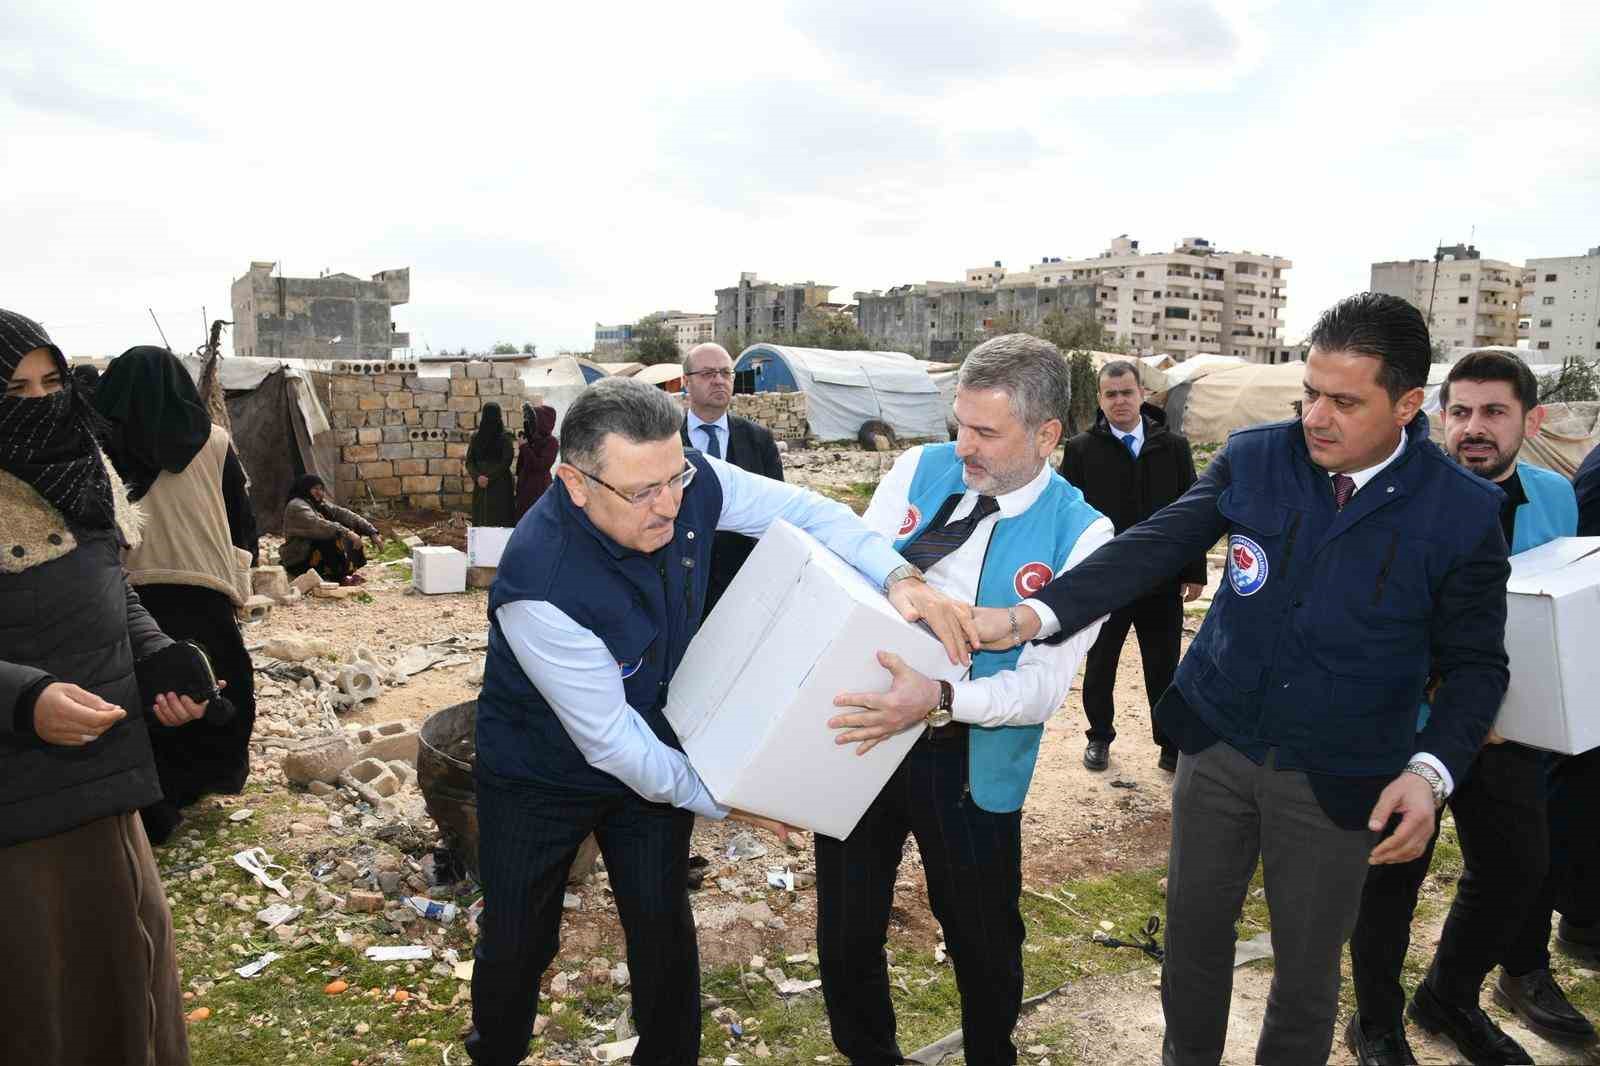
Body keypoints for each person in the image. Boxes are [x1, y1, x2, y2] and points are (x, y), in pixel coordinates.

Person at [972, 293, 1513, 1065]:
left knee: (1306, 968)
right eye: (1310, 393)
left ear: (1406, 405)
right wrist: (1031, 616)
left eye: (1344, 402)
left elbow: (1477, 666)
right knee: (1193, 936)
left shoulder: (1461, 511)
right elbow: (1156, 544)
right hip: (1218, 741)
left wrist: (1430, 774)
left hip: (1341, 773)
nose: (1316, 418)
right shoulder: (1259, 457)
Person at [466, 377, 977, 1066]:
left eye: (674, 478)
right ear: (575, 483)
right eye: (643, 493)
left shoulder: (689, 480)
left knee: (661, 922)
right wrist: (728, 798)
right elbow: (611, 742)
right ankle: (495, 1051)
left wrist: (899, 577)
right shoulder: (540, 582)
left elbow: (809, 512)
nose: (670, 505)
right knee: (518, 939)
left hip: (658, 736)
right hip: (540, 772)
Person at [816, 334, 1113, 1065]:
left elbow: (1040, 688)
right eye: (959, 424)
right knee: (847, 928)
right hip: (869, 731)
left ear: (1046, 435)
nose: (962, 446)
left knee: (982, 935)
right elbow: (856, 577)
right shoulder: (918, 469)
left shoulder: (1084, 535)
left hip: (969, 760)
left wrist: (941, 698)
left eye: (985, 432)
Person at [1345, 349, 1585, 1065]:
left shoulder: (1557, 497)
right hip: (1409, 730)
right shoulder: (1398, 496)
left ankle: (1449, 997)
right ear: (1439, 416)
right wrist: (1448, 701)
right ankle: (1376, 1021)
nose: (1474, 428)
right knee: (1391, 879)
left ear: (1532, 421)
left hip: (1513, 732)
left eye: (1494, 412)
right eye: (1461, 412)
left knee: (1517, 869)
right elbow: (1366, 614)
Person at [0, 308, 207, 1066]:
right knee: (43, 1002)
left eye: (51, 382)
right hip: (20, 809)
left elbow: (110, 588)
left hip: (106, 778)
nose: (40, 402)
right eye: (14, 389)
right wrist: (23, 700)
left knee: (128, 978)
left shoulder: (82, 465)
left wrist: (159, 657)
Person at [94, 345, 261, 844]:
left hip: (132, 594)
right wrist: (239, 573)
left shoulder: (100, 446)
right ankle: (210, 778)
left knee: (145, 696)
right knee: (215, 685)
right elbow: (241, 520)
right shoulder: (213, 441)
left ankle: (157, 799)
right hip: (204, 587)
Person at [1061, 360, 1205, 773]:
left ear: (1142, 394)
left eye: (1127, 392)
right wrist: (1071, 574)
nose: (1120, 401)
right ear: (1100, 399)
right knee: (1100, 663)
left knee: (1163, 667)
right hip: (1104, 580)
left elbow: (1193, 510)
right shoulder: (1081, 449)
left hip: (1160, 578)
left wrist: (1194, 571)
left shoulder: (1173, 447)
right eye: (1111, 394)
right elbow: (1067, 515)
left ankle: (1169, 745)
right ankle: (1099, 737)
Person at [677, 342, 784, 613]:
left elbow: (778, 511)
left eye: (725, 373)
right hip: (680, 584)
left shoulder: (758, 440)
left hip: (744, 584)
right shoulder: (667, 440)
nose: (719, 380)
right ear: (686, 382)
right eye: (707, 373)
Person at [280, 474, 381, 584]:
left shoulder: (317, 503)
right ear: (305, 488)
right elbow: (319, 525)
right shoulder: (297, 506)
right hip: (298, 558)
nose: (319, 492)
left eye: (321, 489)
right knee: (329, 536)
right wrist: (348, 533)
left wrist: (371, 531)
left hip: (311, 555)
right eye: (315, 489)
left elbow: (344, 514)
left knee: (349, 527)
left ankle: (348, 572)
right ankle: (339, 576)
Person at [468, 401, 516, 527]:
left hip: (491, 484)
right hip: (498, 483)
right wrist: (482, 477)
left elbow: (470, 462)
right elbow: (506, 461)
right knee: (497, 522)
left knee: (486, 520)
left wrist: (479, 477)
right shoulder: (505, 437)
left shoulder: (478, 437)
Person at [514, 402, 558, 521]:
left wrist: (524, 447)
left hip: (539, 489)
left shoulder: (551, 442)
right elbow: (521, 465)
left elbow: (541, 465)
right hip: (525, 488)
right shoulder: (532, 439)